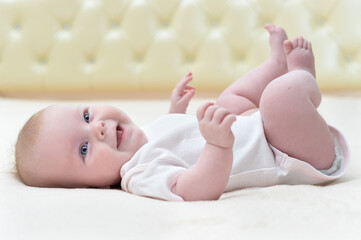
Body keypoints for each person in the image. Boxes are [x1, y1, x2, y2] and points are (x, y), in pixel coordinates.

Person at [15, 24, 349, 201]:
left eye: (87, 116)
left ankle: (275, 66)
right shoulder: (138, 175)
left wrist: (176, 112)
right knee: (277, 98)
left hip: (261, 128)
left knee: (228, 100)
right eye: (84, 149)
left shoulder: (141, 136)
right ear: (93, 189)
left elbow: (175, 139)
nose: (98, 128)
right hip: (293, 155)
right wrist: (217, 145)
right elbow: (192, 189)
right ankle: (302, 83)